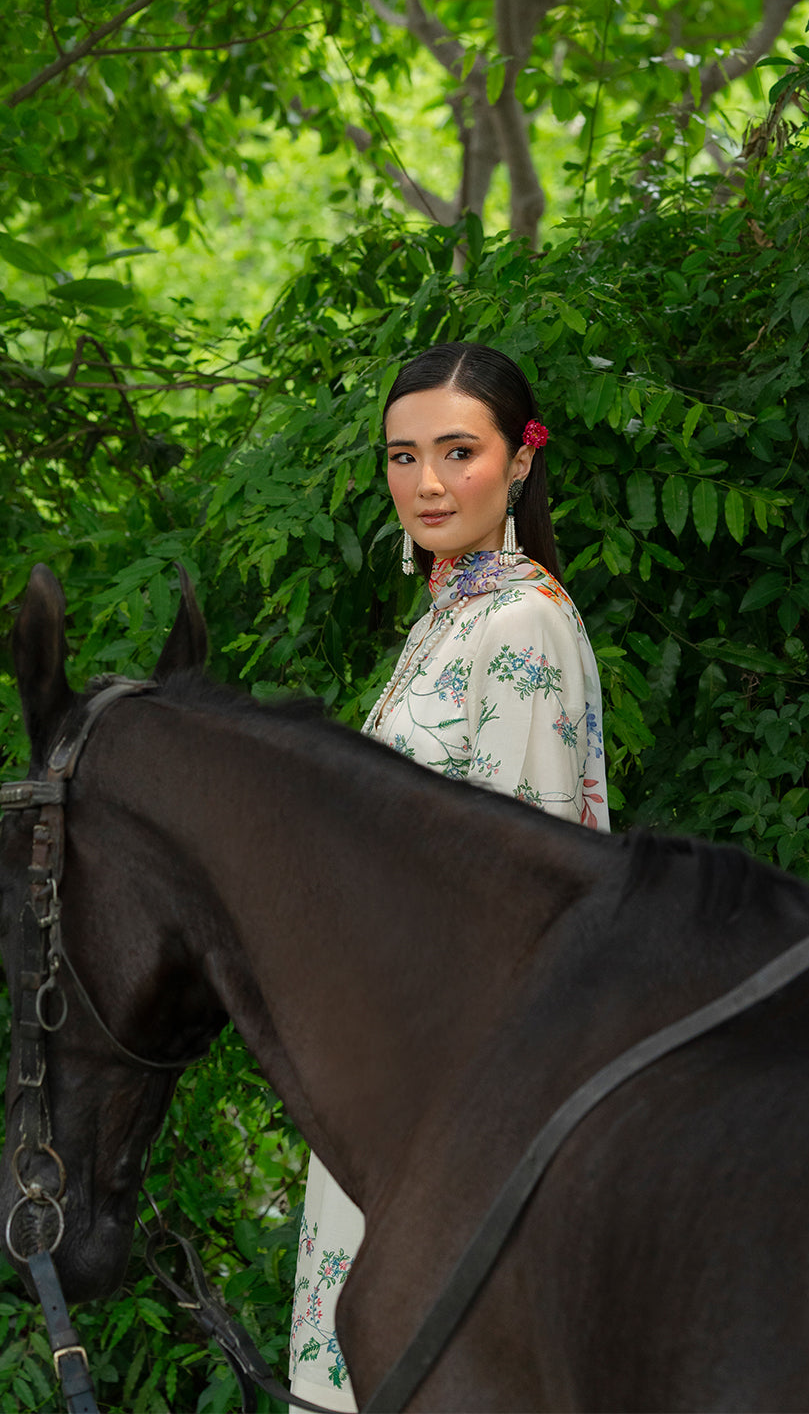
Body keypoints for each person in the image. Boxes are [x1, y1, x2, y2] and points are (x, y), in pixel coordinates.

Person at [289, 342, 610, 1408]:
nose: (425, 483)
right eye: (402, 455)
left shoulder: (519, 623)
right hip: (389, 1076)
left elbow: (521, 903)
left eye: (457, 452)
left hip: (454, 1097)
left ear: (519, 462)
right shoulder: (448, 619)